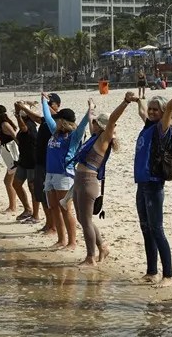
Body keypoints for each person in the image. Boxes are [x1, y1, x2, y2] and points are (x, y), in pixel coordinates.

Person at [120, 91, 172, 287]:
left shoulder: (162, 129)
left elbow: (169, 108)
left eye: (156, 110)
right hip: (142, 184)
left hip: (153, 184)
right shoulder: (148, 125)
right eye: (151, 109)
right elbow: (143, 112)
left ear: (162, 113)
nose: (151, 112)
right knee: (146, 228)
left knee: (157, 229)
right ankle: (152, 271)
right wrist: (138, 101)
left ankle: (168, 275)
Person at [40, 91, 91, 250]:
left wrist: (90, 109)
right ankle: (61, 240)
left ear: (64, 121)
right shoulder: (55, 132)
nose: (56, 122)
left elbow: (83, 124)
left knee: (65, 209)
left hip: (64, 176)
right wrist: (42, 100)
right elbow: (47, 117)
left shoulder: (73, 137)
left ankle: (72, 242)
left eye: (59, 120)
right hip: (50, 175)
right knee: (53, 207)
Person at [74, 97, 119, 266]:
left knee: (85, 222)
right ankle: (102, 247)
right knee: (82, 219)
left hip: (88, 182)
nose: (92, 124)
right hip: (79, 181)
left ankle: (90, 257)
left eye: (95, 123)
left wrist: (124, 102)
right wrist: (90, 108)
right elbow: (90, 121)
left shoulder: (103, 139)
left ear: (101, 126)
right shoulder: (95, 136)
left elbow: (112, 120)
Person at [15, 93, 61, 237]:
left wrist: (40, 105)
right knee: (41, 195)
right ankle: (49, 224)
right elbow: (36, 118)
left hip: (48, 163)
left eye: (50, 103)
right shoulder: (45, 120)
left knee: (49, 197)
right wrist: (22, 108)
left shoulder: (58, 120)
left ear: (57, 106)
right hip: (39, 162)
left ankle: (53, 226)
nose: (46, 106)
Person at [0, 104, 28, 216]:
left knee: (9, 182)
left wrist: (23, 153)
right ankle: (13, 206)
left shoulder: (4, 125)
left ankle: (13, 207)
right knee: (10, 182)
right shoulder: (1, 125)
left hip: (13, 157)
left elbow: (15, 138)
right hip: (9, 158)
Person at [12, 101, 39, 223]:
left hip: (32, 160)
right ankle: (28, 209)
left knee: (32, 188)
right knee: (16, 184)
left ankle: (36, 215)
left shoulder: (30, 124)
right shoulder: (27, 122)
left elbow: (23, 129)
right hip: (23, 159)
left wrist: (18, 115)